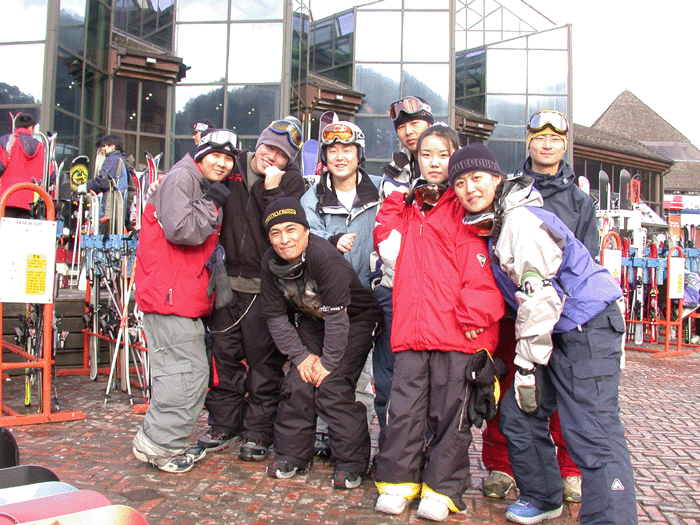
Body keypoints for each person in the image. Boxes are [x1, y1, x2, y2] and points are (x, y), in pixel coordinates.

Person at [454, 143, 637, 525]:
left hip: (586, 327)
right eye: (460, 182)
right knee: (520, 413)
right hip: (555, 331)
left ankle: (612, 518)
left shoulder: (519, 222)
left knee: (592, 430)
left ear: (497, 179)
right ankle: (543, 496)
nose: (469, 188)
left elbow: (540, 300)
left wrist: (524, 367)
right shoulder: (498, 221)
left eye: (477, 177)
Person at [373, 126, 505, 522]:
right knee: (404, 411)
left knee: (450, 416)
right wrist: (396, 199)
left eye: (443, 155)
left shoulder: (466, 207)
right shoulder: (409, 205)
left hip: (456, 333)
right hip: (412, 330)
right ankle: (397, 483)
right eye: (426, 154)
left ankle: (441, 490)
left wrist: (475, 315)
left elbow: (481, 267)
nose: (434, 163)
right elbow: (388, 245)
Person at [482, 110, 591, 502]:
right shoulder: (507, 190)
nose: (547, 144)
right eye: (540, 137)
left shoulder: (580, 201)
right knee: (507, 385)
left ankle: (570, 468)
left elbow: (588, 259)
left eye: (555, 138)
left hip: (562, 315)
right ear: (528, 140)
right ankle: (501, 464)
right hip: (513, 310)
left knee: (565, 392)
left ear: (565, 144)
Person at [198, 117, 306, 462]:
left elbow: (284, 227)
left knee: (264, 365)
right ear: (258, 143)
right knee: (224, 358)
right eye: (268, 147)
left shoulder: (291, 181)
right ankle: (223, 424)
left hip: (265, 288)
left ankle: (258, 432)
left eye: (281, 154)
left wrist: (272, 190)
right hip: (225, 283)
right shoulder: (231, 165)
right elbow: (196, 182)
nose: (271, 156)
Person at [132, 129, 237, 473]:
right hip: (169, 299)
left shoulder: (193, 181)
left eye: (228, 158)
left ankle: (162, 440)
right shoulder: (182, 178)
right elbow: (182, 229)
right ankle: (160, 446)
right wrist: (213, 203)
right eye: (216, 155)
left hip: (179, 298)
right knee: (183, 374)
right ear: (201, 154)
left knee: (187, 373)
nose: (222, 163)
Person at [259, 197, 383, 489]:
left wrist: (327, 364)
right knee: (298, 381)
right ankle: (292, 455)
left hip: (355, 319)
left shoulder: (324, 258)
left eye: (291, 229)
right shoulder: (270, 262)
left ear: (306, 231)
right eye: (276, 233)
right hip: (314, 319)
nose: (284, 239)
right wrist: (301, 357)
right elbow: (275, 317)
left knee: (332, 385)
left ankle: (351, 462)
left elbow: (338, 319)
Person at [300, 120, 381, 456]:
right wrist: (332, 242)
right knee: (324, 364)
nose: (340, 156)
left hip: (368, 300)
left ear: (359, 154)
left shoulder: (380, 192)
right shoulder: (313, 196)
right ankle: (322, 430)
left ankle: (351, 436)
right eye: (332, 150)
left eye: (347, 149)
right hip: (326, 299)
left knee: (360, 372)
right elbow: (307, 239)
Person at [372, 96, 435, 430]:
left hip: (436, 292)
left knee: (434, 380)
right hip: (394, 287)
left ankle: (427, 448)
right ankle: (391, 445)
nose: (409, 131)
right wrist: (380, 281)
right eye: (402, 127)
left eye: (415, 123)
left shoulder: (453, 168)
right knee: (389, 377)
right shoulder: (393, 174)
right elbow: (383, 229)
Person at [78, 135, 130, 233]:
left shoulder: (113, 159)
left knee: (103, 239)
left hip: (109, 212)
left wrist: (86, 186)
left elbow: (104, 181)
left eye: (104, 145)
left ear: (112, 146)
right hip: (116, 213)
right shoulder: (120, 160)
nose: (103, 148)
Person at [0, 114, 45, 218]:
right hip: (29, 201)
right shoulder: (41, 146)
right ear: (31, 127)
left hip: (6, 197)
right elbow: (49, 175)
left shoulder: (6, 141)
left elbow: (1, 165)